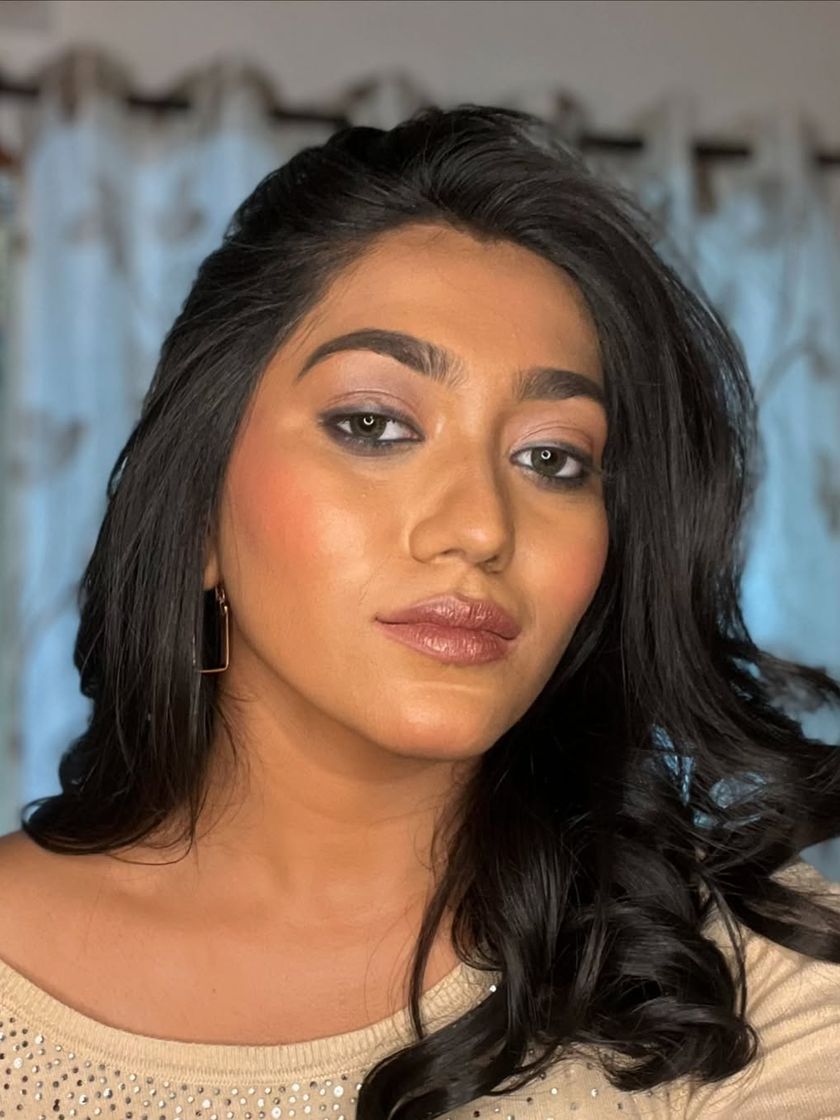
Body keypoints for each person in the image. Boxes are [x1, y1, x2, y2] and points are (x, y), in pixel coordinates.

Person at [1, 103, 839, 1120]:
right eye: (374, 424)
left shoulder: (747, 981)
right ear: (200, 506)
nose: (481, 526)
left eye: (551, 458)